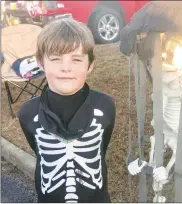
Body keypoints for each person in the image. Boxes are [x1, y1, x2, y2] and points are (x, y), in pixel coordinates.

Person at [18, 18, 116, 203]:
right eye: (55, 59)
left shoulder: (106, 106)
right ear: (40, 63)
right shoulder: (28, 113)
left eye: (76, 59)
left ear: (90, 64)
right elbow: (39, 150)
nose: (65, 68)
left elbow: (101, 148)